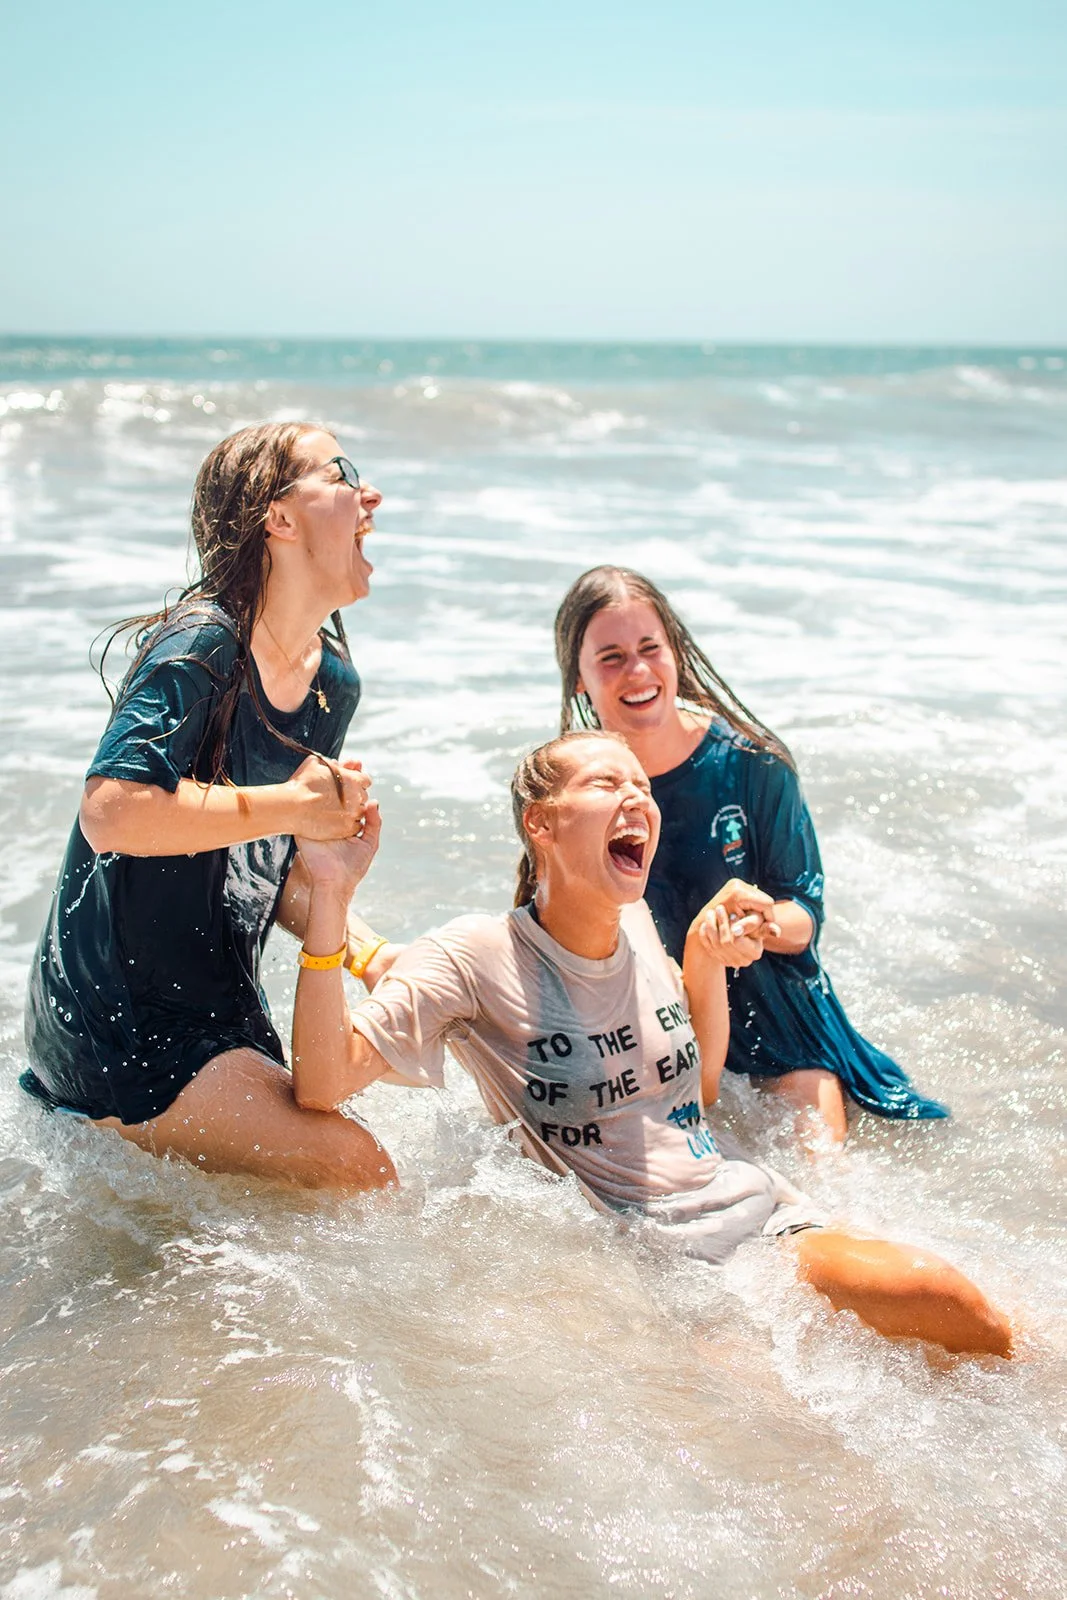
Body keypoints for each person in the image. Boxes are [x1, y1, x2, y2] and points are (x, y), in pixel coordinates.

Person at [288, 730, 1012, 1358]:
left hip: (752, 1209)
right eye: (606, 782)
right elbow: (323, 1082)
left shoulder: (635, 925)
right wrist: (328, 897)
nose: (636, 796)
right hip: (655, 1261)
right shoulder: (476, 955)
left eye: (641, 784)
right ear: (540, 822)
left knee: (963, 1312)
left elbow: (690, 1099)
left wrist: (701, 961)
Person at [21, 421, 396, 1191]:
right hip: (115, 1023)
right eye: (342, 473)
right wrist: (292, 805)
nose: (371, 496)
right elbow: (115, 809)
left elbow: (262, 870)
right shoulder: (200, 646)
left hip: (220, 1004)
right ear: (279, 519)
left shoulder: (334, 683)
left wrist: (369, 950)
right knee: (357, 1168)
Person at [552, 566, 947, 1148]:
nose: (637, 671)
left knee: (823, 1190)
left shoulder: (753, 765)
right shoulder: (572, 799)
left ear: (676, 654)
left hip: (779, 1030)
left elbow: (804, 913)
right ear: (579, 679)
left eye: (649, 648)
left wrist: (756, 923)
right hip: (653, 1036)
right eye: (610, 657)